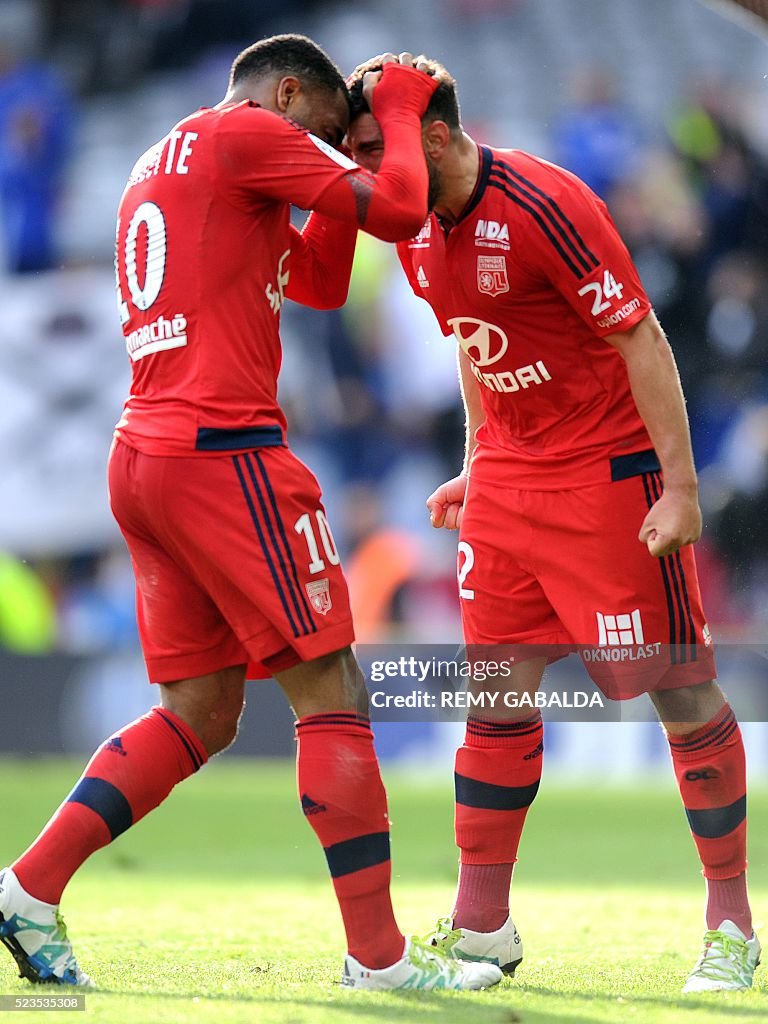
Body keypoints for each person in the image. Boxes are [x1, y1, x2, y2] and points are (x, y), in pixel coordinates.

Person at [0, 37, 502, 993]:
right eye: (318, 134)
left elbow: (314, 279)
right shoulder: (246, 135)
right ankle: (379, 960)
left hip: (143, 455)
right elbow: (400, 211)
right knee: (334, 693)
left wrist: (345, 163)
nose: (320, 155)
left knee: (199, 710)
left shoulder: (163, 160)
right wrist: (394, 114)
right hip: (223, 452)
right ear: (283, 95)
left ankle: (25, 889)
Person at [344, 55, 760, 994]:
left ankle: (732, 925)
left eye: (375, 147)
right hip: (509, 490)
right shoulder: (412, 233)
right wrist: (475, 456)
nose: (364, 168)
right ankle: (481, 925)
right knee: (494, 699)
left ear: (435, 136)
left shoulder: (546, 203)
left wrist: (682, 489)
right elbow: (474, 343)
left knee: (679, 692)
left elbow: (640, 336)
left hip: (609, 483)